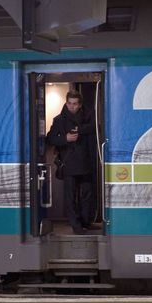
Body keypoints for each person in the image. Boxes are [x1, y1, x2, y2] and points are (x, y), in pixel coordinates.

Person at [47, 91, 96, 235]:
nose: (72, 107)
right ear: (66, 102)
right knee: (70, 196)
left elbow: (96, 128)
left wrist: (80, 129)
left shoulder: (88, 116)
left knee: (87, 193)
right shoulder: (59, 120)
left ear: (80, 105)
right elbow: (50, 139)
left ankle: (85, 222)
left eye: (75, 104)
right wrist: (65, 138)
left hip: (87, 161)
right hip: (69, 163)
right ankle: (75, 225)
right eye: (69, 103)